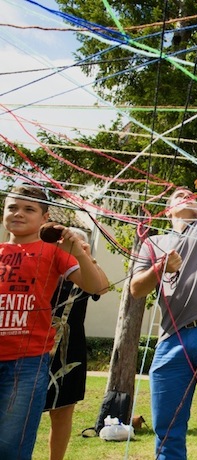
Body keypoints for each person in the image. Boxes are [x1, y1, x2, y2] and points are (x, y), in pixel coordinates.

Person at [130, 104, 197, 459]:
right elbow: (135, 289)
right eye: (178, 196)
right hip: (171, 340)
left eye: (189, 194)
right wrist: (160, 269)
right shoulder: (153, 243)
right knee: (167, 430)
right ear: (168, 209)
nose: (186, 196)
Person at [0, 185, 109, 460]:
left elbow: (98, 286)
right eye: (12, 207)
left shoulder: (54, 253)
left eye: (29, 209)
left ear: (44, 217)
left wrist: (79, 252)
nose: (19, 214)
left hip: (26, 363)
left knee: (12, 445)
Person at [44, 228, 108, 460]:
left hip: (69, 349)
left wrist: (87, 257)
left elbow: (102, 287)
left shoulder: (84, 270)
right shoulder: (45, 265)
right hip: (34, 346)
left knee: (62, 411)